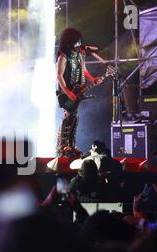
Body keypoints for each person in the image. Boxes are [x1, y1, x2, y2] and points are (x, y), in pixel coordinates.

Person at [56, 28, 103, 159]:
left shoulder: (80, 55)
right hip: (66, 92)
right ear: (70, 42)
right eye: (76, 42)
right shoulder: (63, 56)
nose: (78, 44)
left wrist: (93, 79)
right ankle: (63, 145)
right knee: (69, 116)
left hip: (77, 90)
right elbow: (59, 76)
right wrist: (68, 92)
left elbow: (84, 70)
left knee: (75, 117)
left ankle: (71, 144)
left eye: (79, 41)